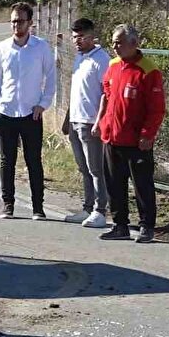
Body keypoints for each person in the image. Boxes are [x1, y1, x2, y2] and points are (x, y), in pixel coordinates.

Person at [95, 24, 167, 243]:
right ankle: (120, 225)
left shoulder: (149, 70)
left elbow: (157, 108)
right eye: (113, 41)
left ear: (134, 43)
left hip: (137, 141)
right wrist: (101, 121)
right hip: (112, 136)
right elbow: (107, 94)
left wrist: (148, 134)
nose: (114, 46)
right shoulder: (113, 65)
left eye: (119, 42)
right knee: (114, 183)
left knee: (142, 185)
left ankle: (146, 226)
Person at [0, 2, 56, 221]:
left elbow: (52, 78)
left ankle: (38, 207)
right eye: (13, 21)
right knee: (7, 161)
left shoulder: (41, 47)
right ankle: (8, 204)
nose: (16, 25)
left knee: (33, 160)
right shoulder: (2, 48)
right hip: (6, 112)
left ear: (30, 23)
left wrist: (43, 104)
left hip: (31, 113)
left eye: (21, 21)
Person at [62, 18, 112, 229]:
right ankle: (87, 206)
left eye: (81, 37)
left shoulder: (101, 59)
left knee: (96, 168)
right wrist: (67, 119)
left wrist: (100, 121)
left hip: (91, 122)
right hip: (76, 120)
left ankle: (100, 210)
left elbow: (106, 93)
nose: (77, 41)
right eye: (74, 37)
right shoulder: (79, 59)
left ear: (92, 36)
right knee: (83, 168)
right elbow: (76, 93)